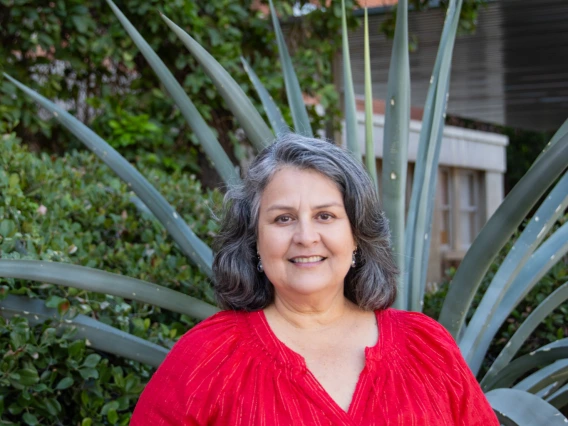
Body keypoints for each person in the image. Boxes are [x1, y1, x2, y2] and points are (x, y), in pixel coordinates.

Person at [131, 133, 499, 425]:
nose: (306, 236)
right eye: (283, 218)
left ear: (356, 235)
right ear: (255, 241)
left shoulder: (427, 347)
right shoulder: (206, 359)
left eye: (325, 216)